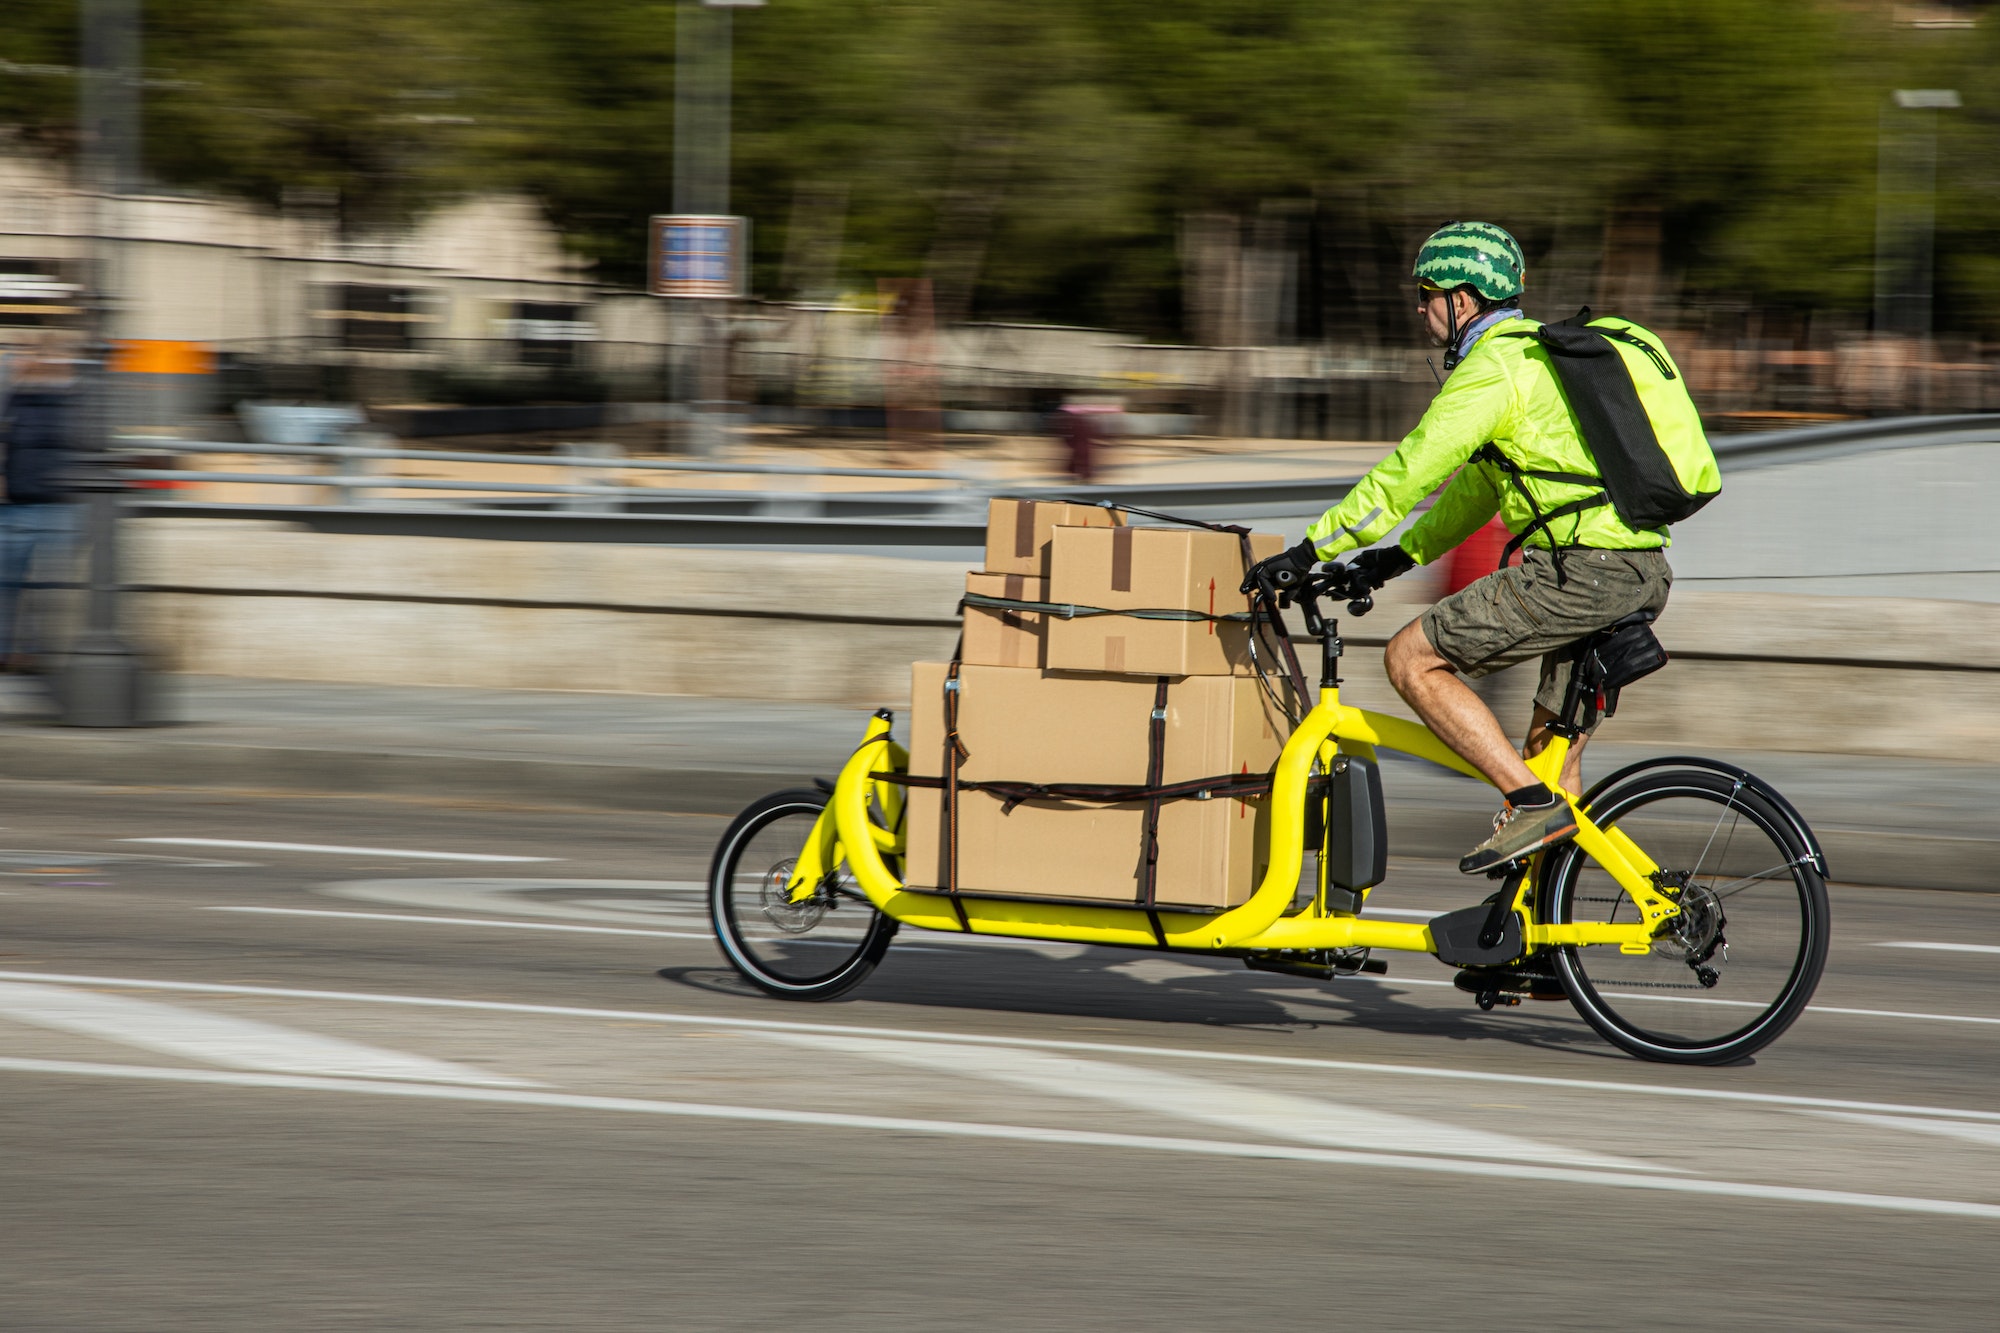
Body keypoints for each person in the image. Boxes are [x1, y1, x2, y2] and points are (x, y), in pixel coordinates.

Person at [1247, 221, 1685, 875]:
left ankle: (1531, 804)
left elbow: (1411, 468)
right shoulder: (1537, 357)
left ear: (1463, 299)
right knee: (1549, 755)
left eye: (1427, 294)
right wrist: (1399, 555)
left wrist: (1313, 549)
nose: (1420, 309)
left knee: (1409, 659)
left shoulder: (1494, 367)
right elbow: (1481, 484)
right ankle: (1544, 948)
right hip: (1637, 568)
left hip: (1581, 571)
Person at [0, 339, 79, 675]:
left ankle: (35, 653)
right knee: (7, 584)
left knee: (47, 587)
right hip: (16, 506)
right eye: (40, 355)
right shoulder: (14, 397)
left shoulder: (75, 399)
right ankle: (7, 652)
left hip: (60, 507)